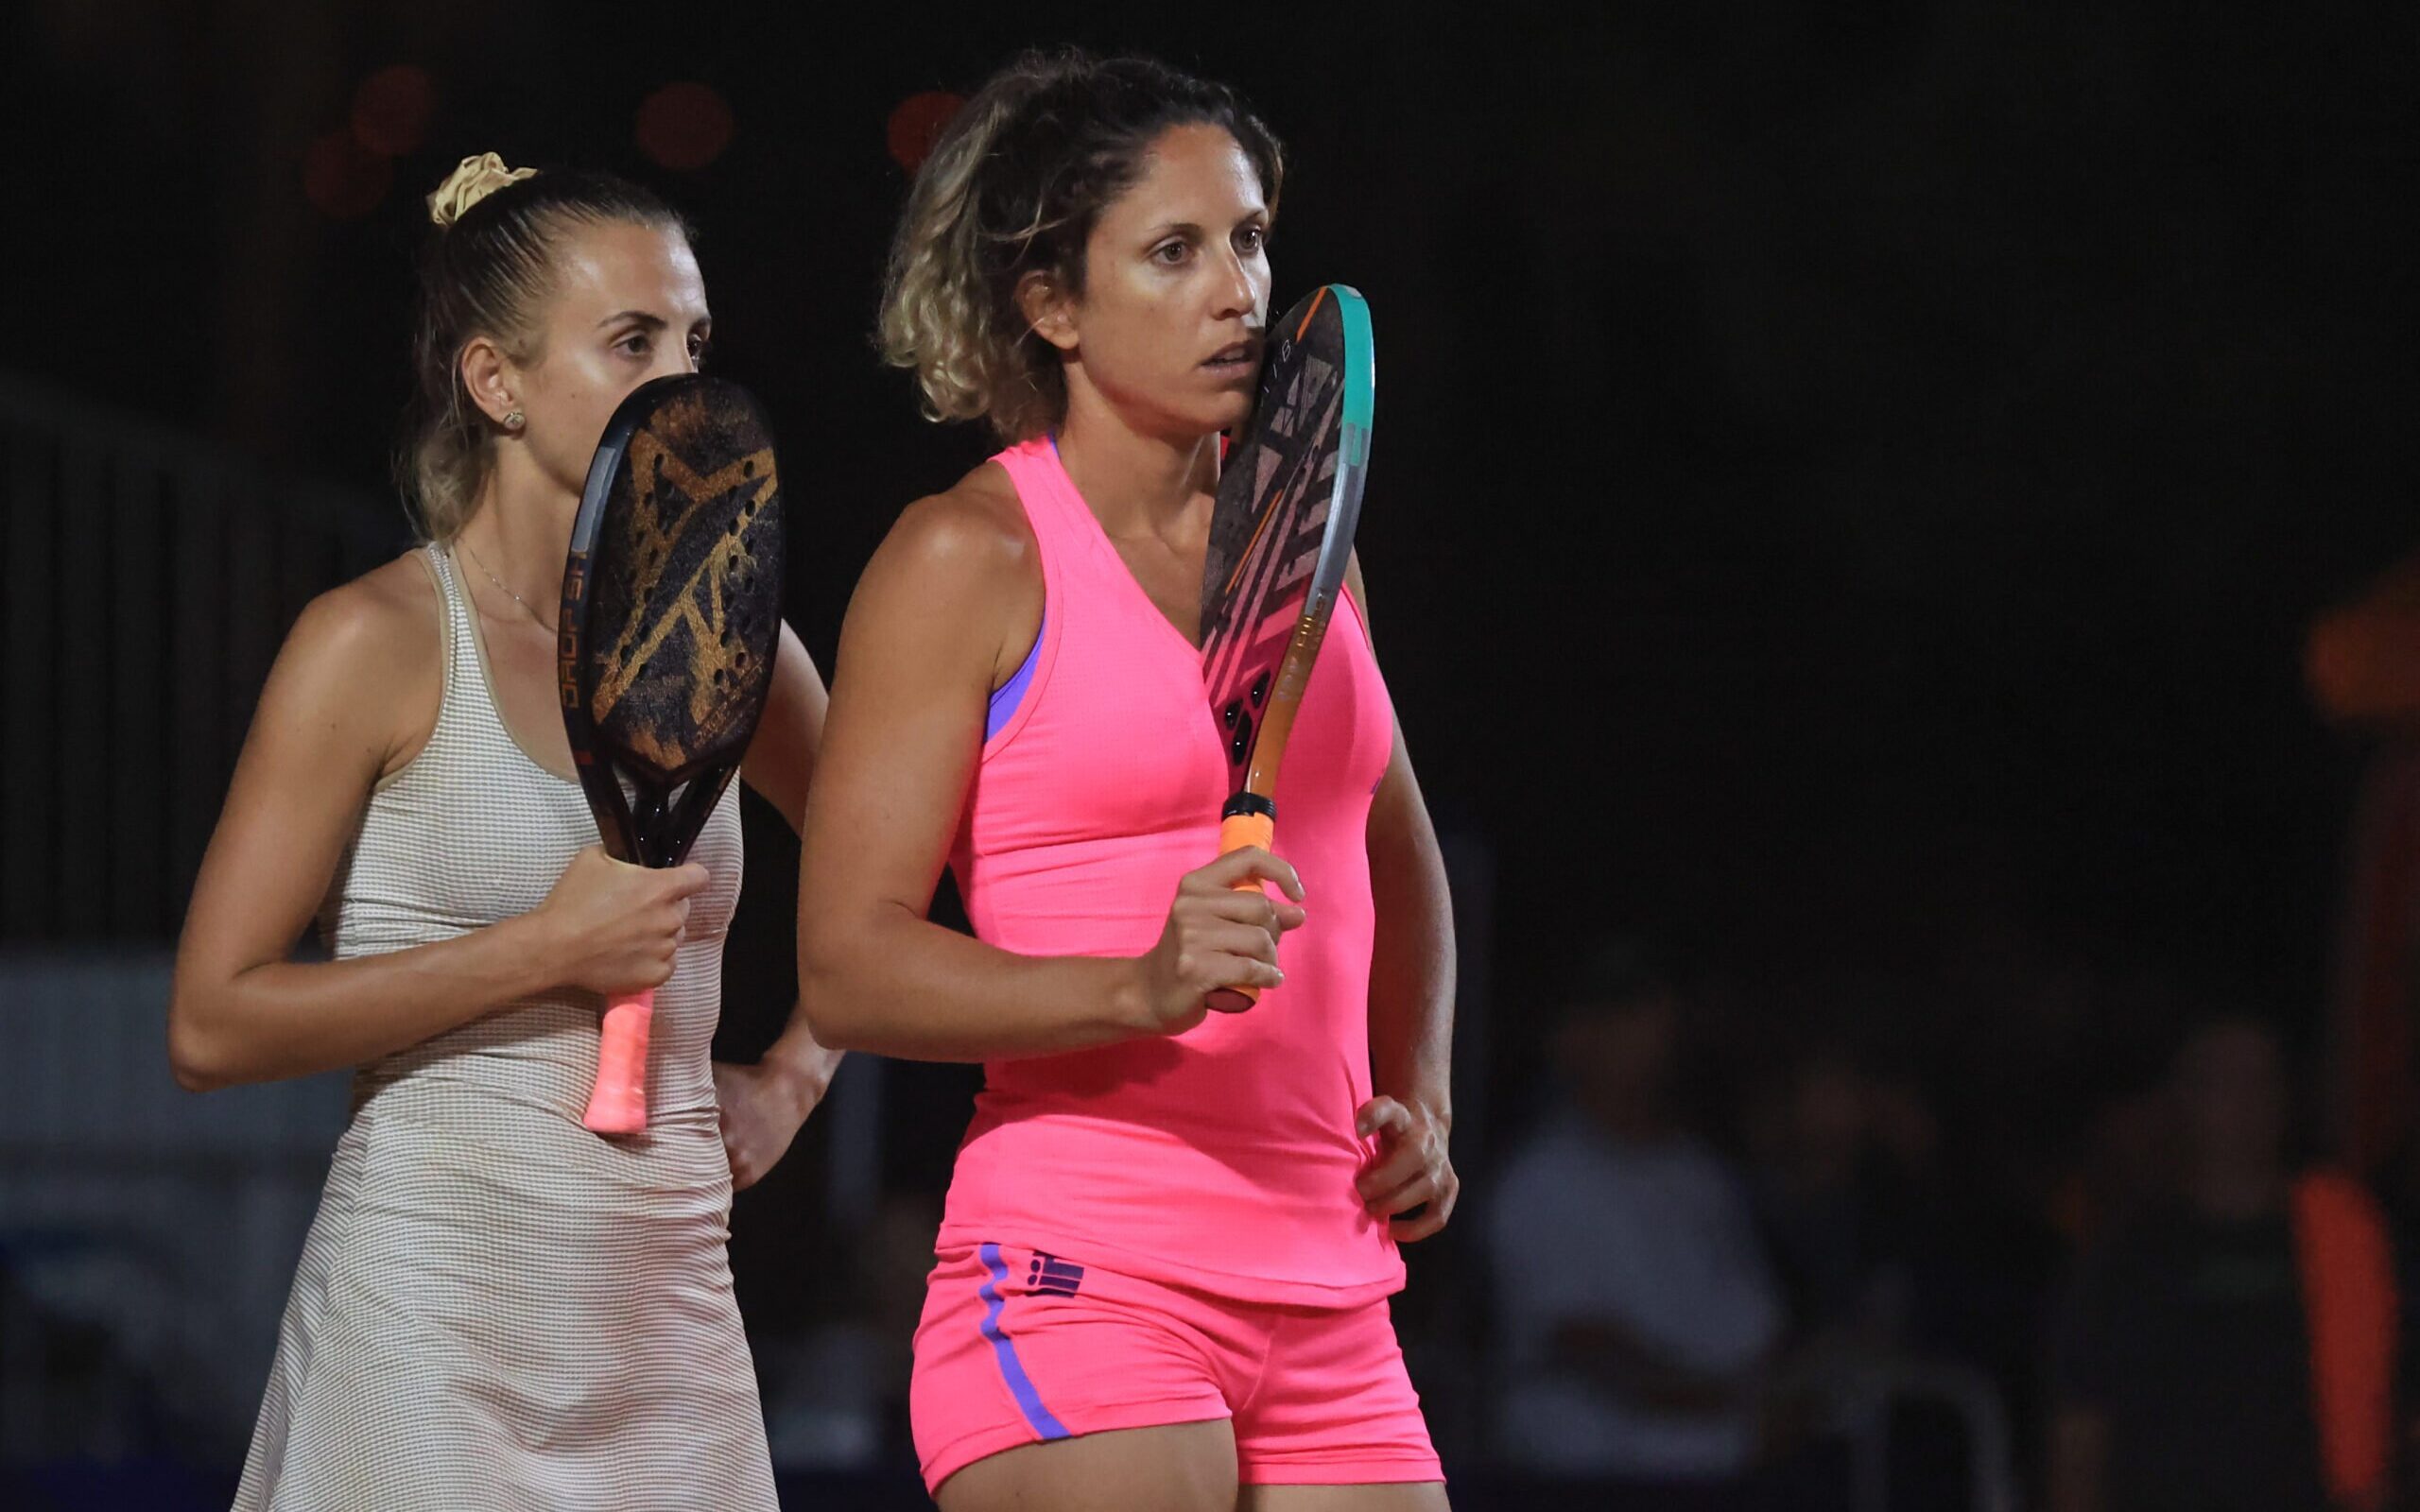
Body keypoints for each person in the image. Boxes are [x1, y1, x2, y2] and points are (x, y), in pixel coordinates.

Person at [797, 50, 1458, 1511]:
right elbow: (848, 967)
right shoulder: (965, 560)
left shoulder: (1305, 549)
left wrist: (1423, 1089)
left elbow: (1395, 856)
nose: (1238, 289)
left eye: (1248, 237)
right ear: (1052, 305)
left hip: (1332, 1291)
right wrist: (1137, 981)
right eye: (1174, 252)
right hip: (1080, 1271)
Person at [167, 152, 838, 1512]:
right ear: (497, 381)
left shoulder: (734, 643)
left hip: (669, 1336)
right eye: (631, 339)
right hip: (428, 1332)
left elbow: (906, 876)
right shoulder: (374, 643)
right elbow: (212, 1025)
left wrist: (799, 1072)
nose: (682, 377)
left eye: (695, 339)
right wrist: (542, 949)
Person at [2049, 1015, 2399, 1512]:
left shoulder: (2340, 1240)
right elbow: (2079, 1434)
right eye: (2223, 1079)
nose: (2246, 1100)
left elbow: (2384, 1410)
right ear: (2184, 1099)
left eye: (2260, 1079)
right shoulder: (2130, 1254)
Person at [1485, 941, 1782, 1482]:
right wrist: (1745, 1405)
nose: (1650, 1036)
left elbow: (1755, 1325)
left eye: (1655, 1014)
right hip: (1587, 1485)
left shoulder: (1701, 1173)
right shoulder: (1539, 1183)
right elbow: (1589, 1349)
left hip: (1730, 1477)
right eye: (1626, 1016)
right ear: (1570, 1036)